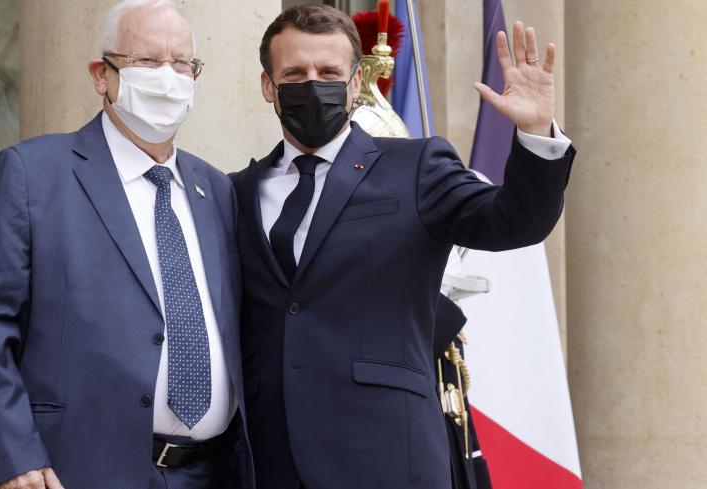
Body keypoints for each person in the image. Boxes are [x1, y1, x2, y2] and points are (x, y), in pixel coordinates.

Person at [230, 4, 575, 488]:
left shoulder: (416, 167)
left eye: (329, 72)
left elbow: (513, 222)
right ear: (269, 86)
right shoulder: (235, 192)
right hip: (269, 462)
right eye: (295, 73)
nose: (313, 84)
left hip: (388, 457)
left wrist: (536, 133)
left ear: (355, 83)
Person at [0, 1, 251, 488]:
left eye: (181, 64)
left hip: (212, 472)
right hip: (75, 469)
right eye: (148, 62)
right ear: (102, 74)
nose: (168, 77)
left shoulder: (215, 189)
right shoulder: (33, 173)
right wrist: (14, 456)